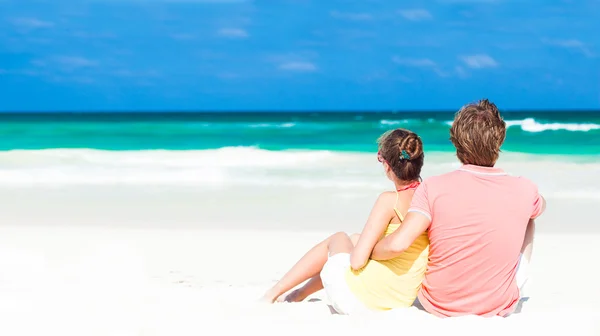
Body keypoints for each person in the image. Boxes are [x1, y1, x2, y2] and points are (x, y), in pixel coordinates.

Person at [371, 99, 546, 317]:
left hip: (438, 303)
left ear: (455, 142)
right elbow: (542, 205)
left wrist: (371, 250)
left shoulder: (432, 187)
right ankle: (498, 284)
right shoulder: (525, 188)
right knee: (530, 214)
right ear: (499, 140)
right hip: (498, 306)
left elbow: (398, 245)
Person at [261, 129, 430, 315]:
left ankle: (275, 293)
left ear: (388, 166)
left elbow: (357, 262)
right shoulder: (429, 198)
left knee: (339, 238)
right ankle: (297, 294)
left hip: (360, 299)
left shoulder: (390, 200)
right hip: (399, 299)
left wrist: (365, 252)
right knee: (355, 239)